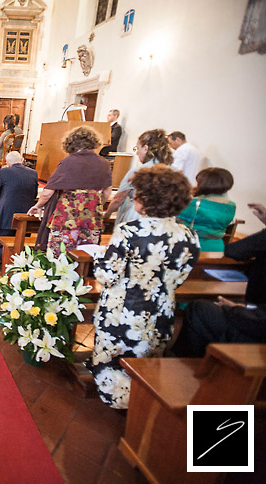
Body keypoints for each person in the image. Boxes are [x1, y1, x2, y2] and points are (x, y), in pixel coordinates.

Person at [90, 165, 200, 409]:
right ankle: (142, 399)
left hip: (124, 311)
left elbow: (107, 274)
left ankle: (120, 400)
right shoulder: (189, 235)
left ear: (147, 199)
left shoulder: (129, 232)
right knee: (146, 359)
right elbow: (181, 275)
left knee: (115, 361)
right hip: (160, 310)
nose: (134, 196)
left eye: (137, 193)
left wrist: (100, 258)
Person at [172, 203, 266, 358]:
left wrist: (236, 310)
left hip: (257, 330)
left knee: (199, 309)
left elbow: (234, 251)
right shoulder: (228, 205)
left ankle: (186, 363)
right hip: (258, 313)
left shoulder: (196, 206)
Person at [27, 126, 112, 256]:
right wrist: (93, 204)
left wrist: (38, 206)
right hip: (91, 219)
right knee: (86, 254)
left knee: (60, 255)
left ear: (70, 143)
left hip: (66, 218)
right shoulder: (104, 163)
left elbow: (48, 192)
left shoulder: (69, 162)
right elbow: (106, 193)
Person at [104, 129, 174, 227]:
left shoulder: (138, 171)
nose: (137, 153)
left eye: (137, 148)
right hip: (164, 220)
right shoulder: (173, 171)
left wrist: (107, 214)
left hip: (138, 217)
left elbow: (119, 198)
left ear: (146, 148)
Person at [0, 151, 39, 259]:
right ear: (21, 160)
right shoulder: (33, 173)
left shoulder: (3, 172)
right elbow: (34, 194)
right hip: (26, 217)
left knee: (1, 244)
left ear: (7, 163)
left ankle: (5, 256)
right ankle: (22, 259)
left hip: (6, 217)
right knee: (22, 243)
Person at [177, 167, 237, 252]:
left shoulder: (193, 203)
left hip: (192, 247)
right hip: (216, 248)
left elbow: (172, 217)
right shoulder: (231, 205)